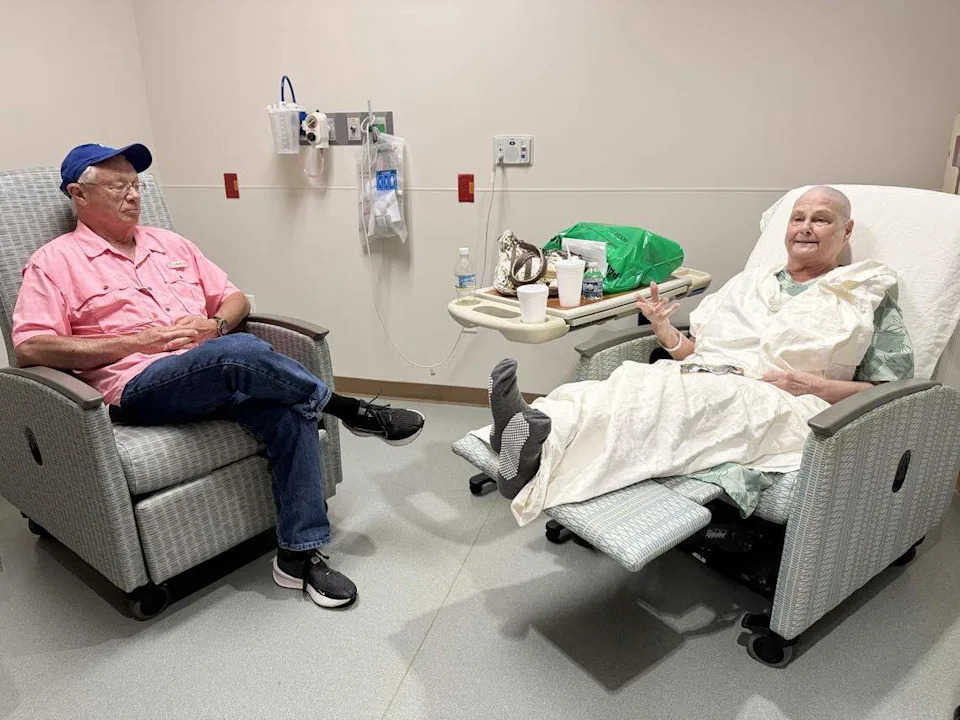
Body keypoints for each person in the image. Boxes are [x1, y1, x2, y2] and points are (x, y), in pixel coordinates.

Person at [11, 142, 426, 609]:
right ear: (78, 196)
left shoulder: (170, 244)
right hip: (138, 388)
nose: (133, 195)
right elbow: (30, 347)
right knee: (235, 353)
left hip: (216, 369)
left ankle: (298, 556)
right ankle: (348, 409)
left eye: (136, 184)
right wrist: (134, 342)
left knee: (286, 410)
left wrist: (216, 325)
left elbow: (236, 298)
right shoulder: (54, 263)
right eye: (118, 185)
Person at [489, 186, 914, 524]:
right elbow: (698, 351)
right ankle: (528, 429)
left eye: (820, 219)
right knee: (629, 383)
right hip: (705, 374)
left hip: (780, 401)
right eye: (797, 218)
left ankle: (532, 452)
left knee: (667, 403)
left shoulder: (863, 293)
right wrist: (663, 330)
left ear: (847, 230)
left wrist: (812, 385)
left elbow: (889, 392)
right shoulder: (752, 282)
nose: (805, 228)